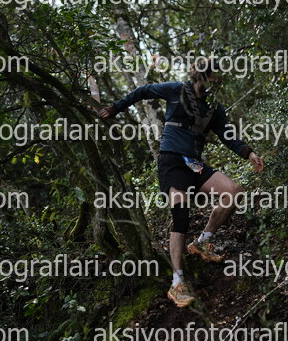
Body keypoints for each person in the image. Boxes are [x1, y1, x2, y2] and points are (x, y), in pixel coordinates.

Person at [98, 59, 263, 307]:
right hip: (172, 161)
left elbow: (227, 135)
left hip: (195, 164)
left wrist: (249, 153)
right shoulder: (176, 90)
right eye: (211, 76)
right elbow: (143, 91)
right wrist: (116, 107)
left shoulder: (213, 107)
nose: (214, 82)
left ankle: (202, 243)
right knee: (181, 214)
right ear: (200, 76)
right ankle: (177, 282)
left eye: (216, 78)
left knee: (234, 191)